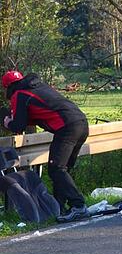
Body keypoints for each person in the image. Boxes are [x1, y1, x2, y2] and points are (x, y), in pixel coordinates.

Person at [2, 70, 90, 222]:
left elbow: (18, 126)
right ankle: (59, 208)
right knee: (62, 169)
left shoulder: (19, 94)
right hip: (81, 123)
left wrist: (7, 122)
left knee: (56, 168)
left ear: (8, 88)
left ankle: (78, 206)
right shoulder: (39, 87)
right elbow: (40, 112)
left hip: (67, 127)